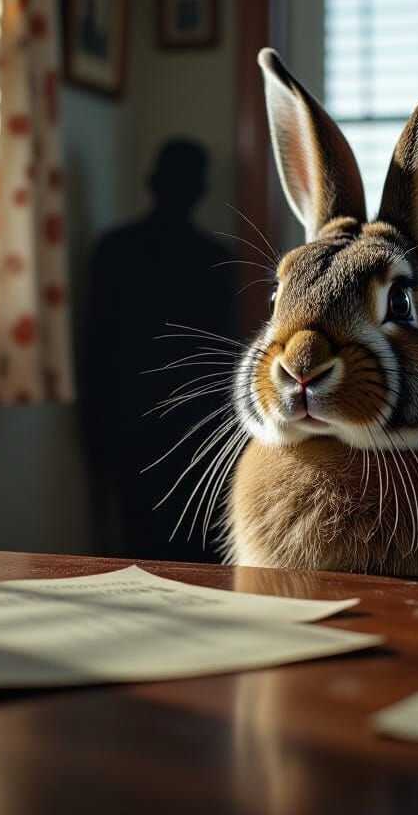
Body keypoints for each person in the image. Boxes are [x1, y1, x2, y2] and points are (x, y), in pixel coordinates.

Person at [83, 139, 237, 561]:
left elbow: (95, 349)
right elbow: (227, 360)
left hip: (137, 423)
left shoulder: (114, 250)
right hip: (191, 429)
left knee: (142, 550)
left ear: (150, 182)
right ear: (202, 191)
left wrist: (95, 429)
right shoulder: (216, 259)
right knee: (199, 555)